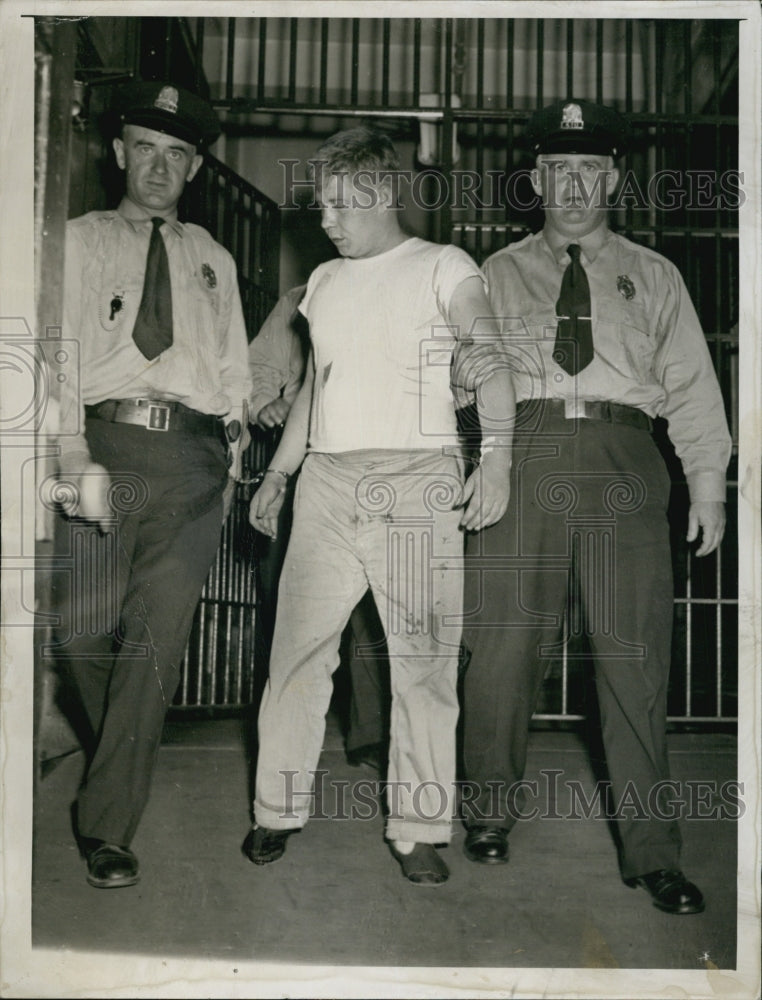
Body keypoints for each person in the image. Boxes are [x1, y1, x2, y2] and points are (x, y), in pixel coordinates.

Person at [460, 100, 731, 915]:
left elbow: (691, 385)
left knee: (634, 660)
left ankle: (653, 853)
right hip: (525, 448)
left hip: (625, 456)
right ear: (535, 180)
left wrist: (709, 482)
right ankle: (487, 815)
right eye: (557, 171)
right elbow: (460, 375)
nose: (573, 185)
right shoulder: (494, 273)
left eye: (589, 170)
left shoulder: (654, 274)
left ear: (611, 179)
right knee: (502, 646)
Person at [242, 126, 514, 885]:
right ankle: (275, 810)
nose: (325, 219)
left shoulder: (443, 265)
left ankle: (419, 826)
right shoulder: (324, 283)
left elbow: (489, 354)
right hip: (327, 483)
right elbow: (316, 389)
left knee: (421, 666)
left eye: (339, 204)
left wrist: (497, 457)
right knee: (296, 656)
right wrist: (279, 475)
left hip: (416, 483)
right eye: (321, 204)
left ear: (383, 193)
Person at [52, 81, 252, 889]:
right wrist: (71, 458)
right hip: (103, 445)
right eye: (146, 148)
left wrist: (233, 461)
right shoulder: (76, 240)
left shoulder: (214, 258)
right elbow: (53, 353)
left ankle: (107, 827)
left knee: (152, 642)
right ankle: (125, 750)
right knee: (79, 635)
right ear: (118, 152)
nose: (160, 167)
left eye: (178, 155)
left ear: (196, 167)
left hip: (194, 467)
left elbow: (235, 370)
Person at [248, 286, 390, 766]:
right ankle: (284, 744)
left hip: (373, 461)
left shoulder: (400, 283)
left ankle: (370, 731)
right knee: (293, 604)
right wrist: (266, 402)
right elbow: (257, 368)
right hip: (299, 458)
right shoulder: (295, 299)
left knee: (375, 604)